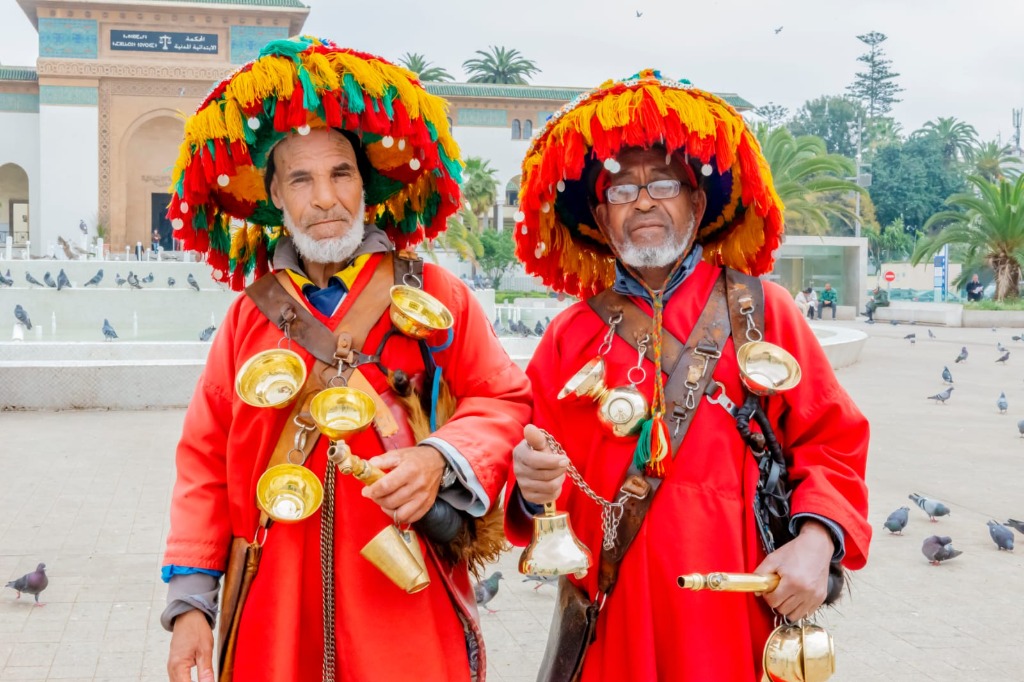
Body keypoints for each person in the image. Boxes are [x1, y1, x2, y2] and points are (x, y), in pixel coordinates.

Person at [161, 36, 530, 682]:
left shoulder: (433, 294)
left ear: (367, 185)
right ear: (275, 194)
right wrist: (191, 601)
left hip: (406, 597)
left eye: (340, 174)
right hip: (275, 615)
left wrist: (436, 459)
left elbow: (503, 398)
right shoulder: (249, 317)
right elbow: (202, 458)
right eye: (300, 179)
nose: (324, 198)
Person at [504, 70, 870, 681]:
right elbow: (535, 483)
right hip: (610, 621)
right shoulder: (567, 337)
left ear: (697, 205)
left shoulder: (763, 311)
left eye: (663, 183)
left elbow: (832, 440)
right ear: (600, 215)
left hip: (733, 612)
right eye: (621, 191)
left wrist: (816, 542)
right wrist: (527, 480)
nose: (642, 201)